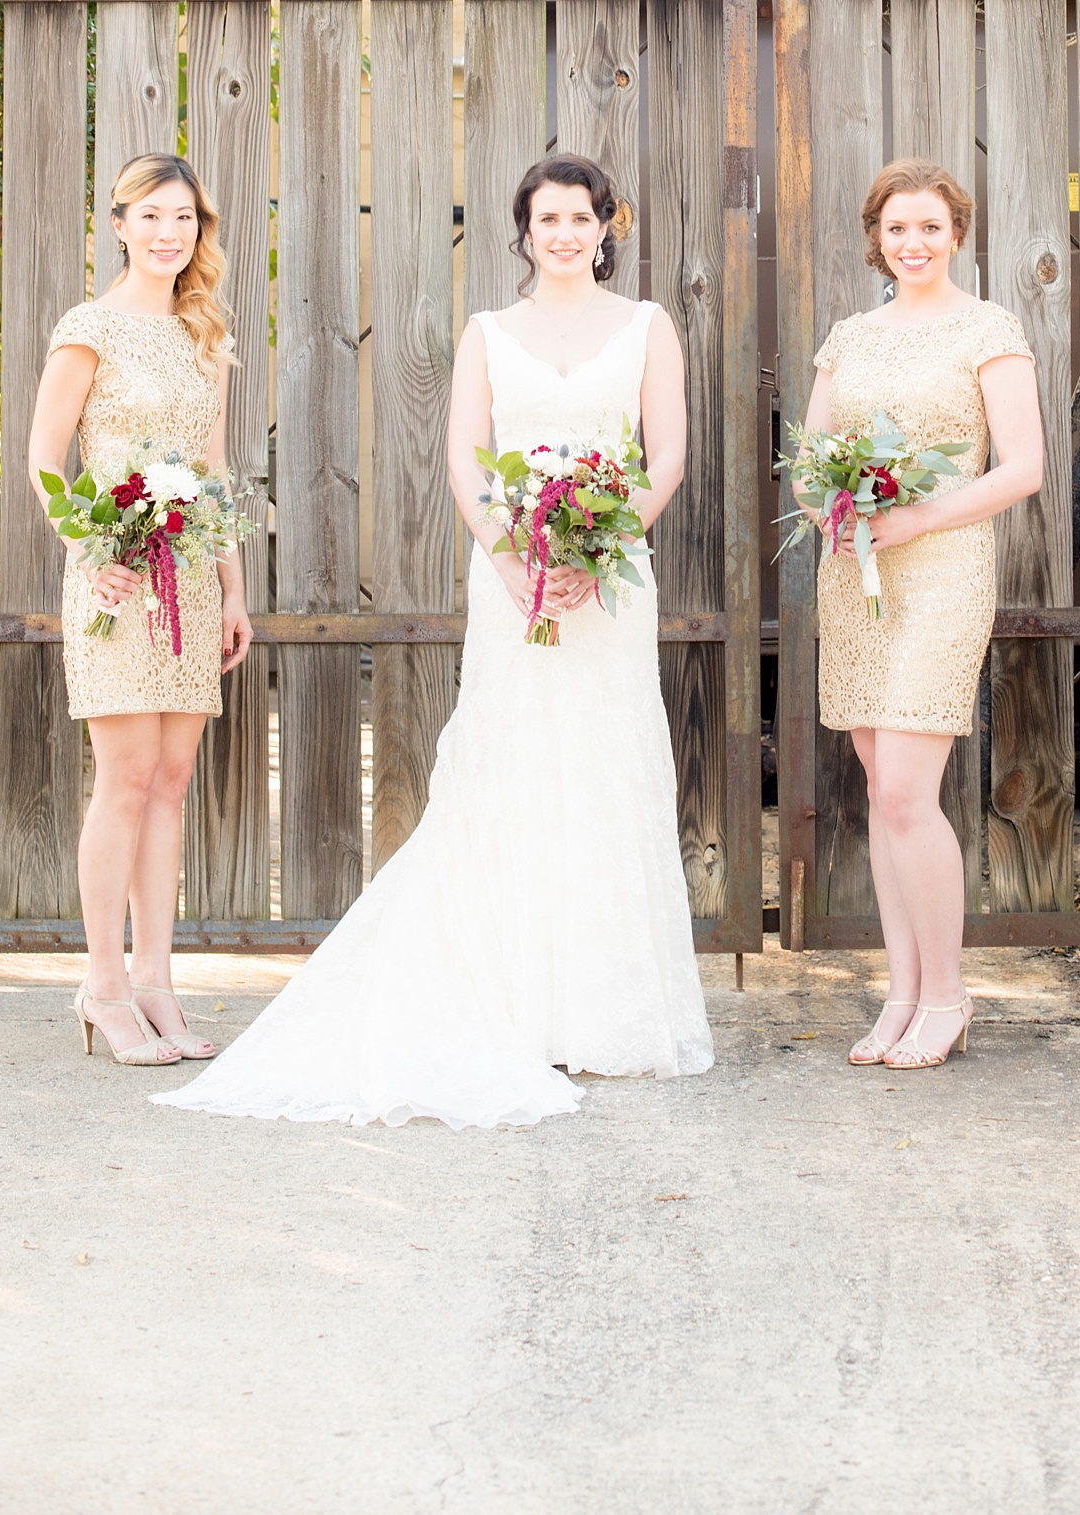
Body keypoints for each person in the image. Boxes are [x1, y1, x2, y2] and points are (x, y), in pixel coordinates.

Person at [154, 154, 713, 1130]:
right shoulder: (488, 333)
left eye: (580, 218)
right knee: (511, 765)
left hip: (611, 582)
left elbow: (664, 452)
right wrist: (512, 563)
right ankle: (507, 1000)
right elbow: (464, 457)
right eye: (547, 218)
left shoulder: (646, 327)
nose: (565, 234)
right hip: (510, 579)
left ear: (604, 226)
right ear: (523, 229)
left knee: (604, 763)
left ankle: (601, 1009)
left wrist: (604, 542)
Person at [804, 159, 1044, 1071]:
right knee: (881, 795)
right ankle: (900, 991)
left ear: (957, 233)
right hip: (856, 575)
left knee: (908, 791)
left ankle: (947, 993)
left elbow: (1021, 466)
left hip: (943, 569)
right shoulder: (849, 336)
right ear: (877, 237)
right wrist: (838, 498)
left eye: (931, 228)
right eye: (897, 228)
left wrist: (911, 514)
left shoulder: (989, 328)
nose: (913, 243)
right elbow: (812, 454)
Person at [27, 153, 253, 1069]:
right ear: (118, 223)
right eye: (152, 216)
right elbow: (44, 457)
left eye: (185, 218)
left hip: (192, 581)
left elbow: (213, 469)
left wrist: (237, 588)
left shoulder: (206, 332)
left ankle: (158, 981)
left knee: (171, 783)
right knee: (122, 781)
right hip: (116, 579)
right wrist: (91, 550)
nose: (170, 233)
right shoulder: (89, 328)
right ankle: (104, 985)